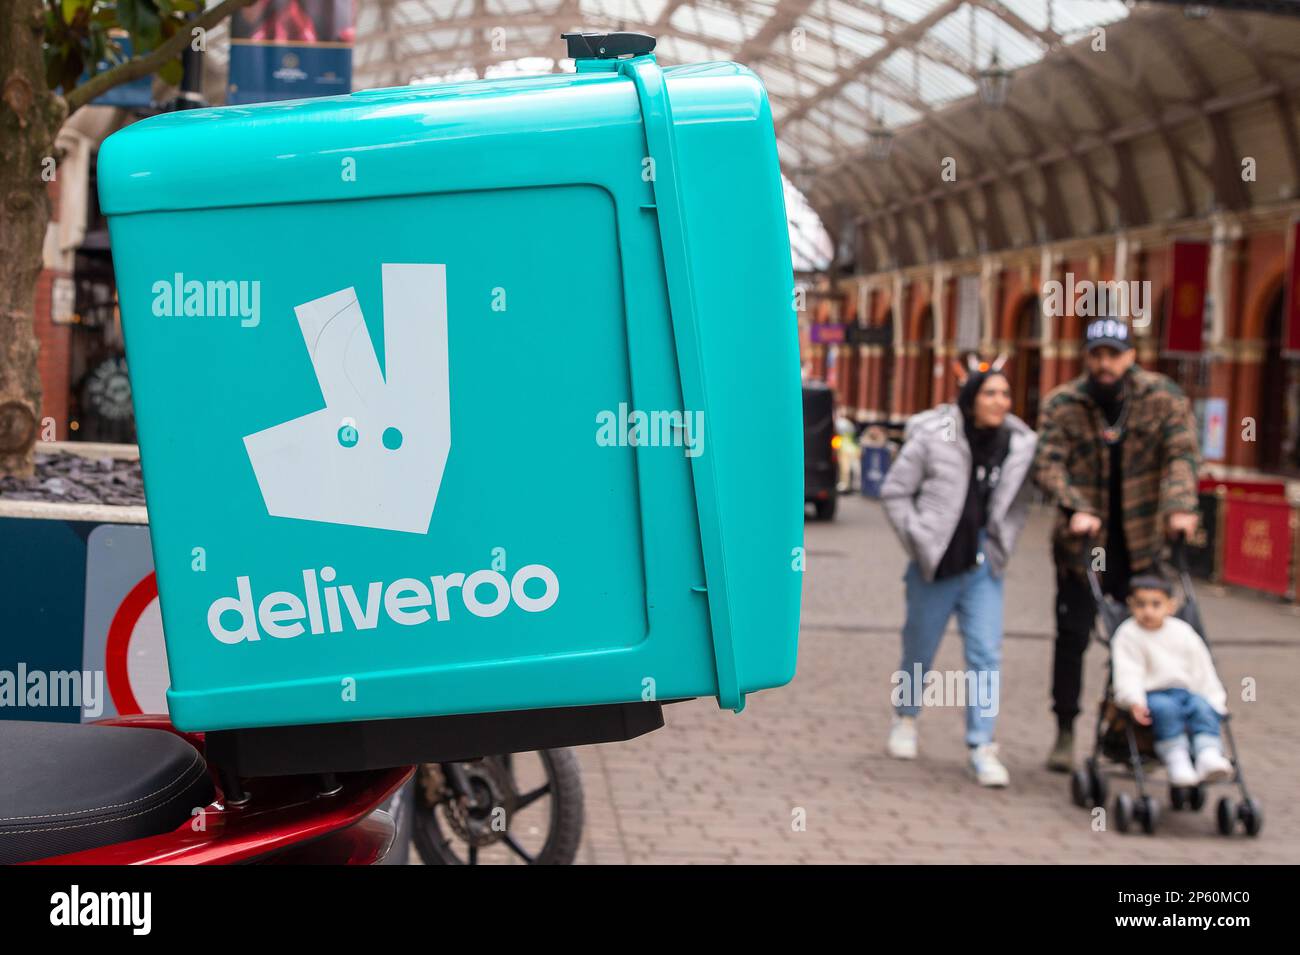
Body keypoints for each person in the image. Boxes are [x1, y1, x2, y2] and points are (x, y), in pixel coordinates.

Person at [1034, 318, 1201, 772]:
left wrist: (1181, 506)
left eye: (1114, 354)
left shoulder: (1162, 397)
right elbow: (1047, 464)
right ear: (1086, 357)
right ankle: (1065, 728)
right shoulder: (1065, 403)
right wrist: (1075, 506)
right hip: (1083, 545)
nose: (1105, 363)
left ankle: (1124, 731)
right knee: (1073, 638)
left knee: (1136, 635)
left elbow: (1182, 454)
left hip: (1142, 543)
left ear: (1131, 356)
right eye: (1097, 354)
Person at [880, 358, 1038, 787]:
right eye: (990, 393)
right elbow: (895, 491)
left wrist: (1005, 537)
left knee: (986, 654)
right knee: (919, 648)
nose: (1000, 402)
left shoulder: (1020, 444)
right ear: (971, 399)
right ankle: (906, 719)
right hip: (936, 565)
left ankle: (982, 745)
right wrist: (918, 538)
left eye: (1005, 394)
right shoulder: (936, 437)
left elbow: (1026, 498)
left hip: (984, 568)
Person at [1112, 575, 1232, 785]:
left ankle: (1208, 754)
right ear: (1131, 605)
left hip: (1187, 692)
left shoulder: (1183, 632)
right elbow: (1127, 672)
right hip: (1152, 693)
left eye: (1155, 604)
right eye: (1141, 605)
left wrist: (1215, 700)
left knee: (1202, 708)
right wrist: (1133, 700)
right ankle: (1177, 758)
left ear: (1170, 606)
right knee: (1166, 710)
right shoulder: (1127, 634)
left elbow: (1202, 669)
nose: (1148, 611)